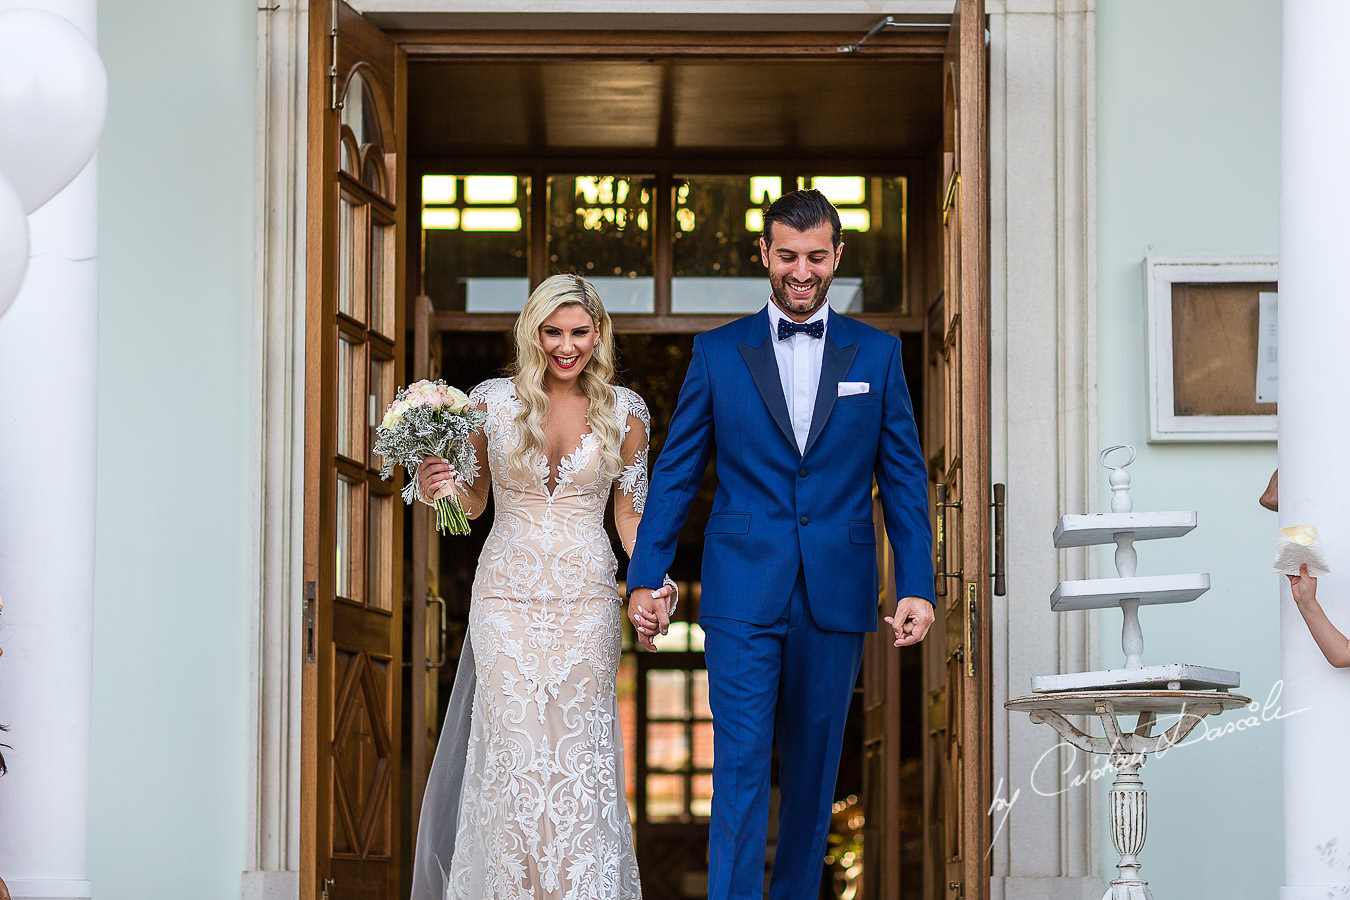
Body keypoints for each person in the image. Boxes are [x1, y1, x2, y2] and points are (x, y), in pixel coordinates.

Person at [625, 190, 935, 900]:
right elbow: (675, 474)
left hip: (838, 589)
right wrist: (647, 575)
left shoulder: (879, 355)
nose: (802, 271)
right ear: (764, 255)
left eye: (817, 257)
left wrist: (915, 583)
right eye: (788, 256)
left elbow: (905, 481)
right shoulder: (717, 351)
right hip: (741, 591)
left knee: (813, 773)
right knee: (737, 766)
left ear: (837, 257)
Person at [408, 274, 673, 900]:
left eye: (579, 332)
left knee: (579, 762)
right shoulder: (491, 403)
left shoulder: (625, 412)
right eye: (552, 332)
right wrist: (438, 484)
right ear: (532, 333)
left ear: (599, 334)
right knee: (512, 762)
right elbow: (474, 504)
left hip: (585, 603)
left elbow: (631, 518)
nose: (565, 346)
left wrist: (655, 581)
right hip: (505, 601)